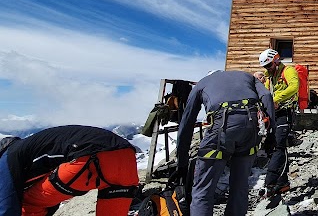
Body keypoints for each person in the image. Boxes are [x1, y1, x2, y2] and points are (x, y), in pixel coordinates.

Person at [173, 70, 274, 216]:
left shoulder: (202, 83)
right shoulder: (247, 76)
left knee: (203, 190)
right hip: (250, 129)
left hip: (221, 128)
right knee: (240, 187)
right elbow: (267, 96)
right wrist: (271, 136)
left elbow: (187, 123)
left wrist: (182, 164)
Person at [0, 125, 139, 216]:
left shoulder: (7, 158)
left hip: (91, 158)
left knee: (30, 203)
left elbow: (6, 206)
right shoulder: (29, 147)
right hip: (127, 158)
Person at [259, 48, 299, 197]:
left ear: (276, 60)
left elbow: (294, 87)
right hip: (273, 114)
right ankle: (283, 183)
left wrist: (275, 99)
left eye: (269, 65)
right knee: (270, 146)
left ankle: (270, 182)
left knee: (278, 146)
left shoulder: (288, 70)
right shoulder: (269, 76)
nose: (267, 68)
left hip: (285, 112)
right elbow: (265, 91)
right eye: (265, 66)